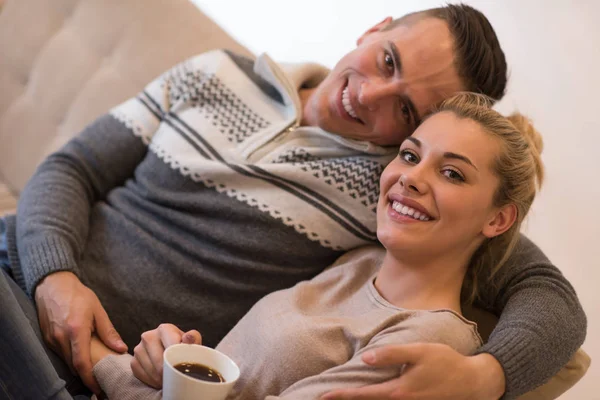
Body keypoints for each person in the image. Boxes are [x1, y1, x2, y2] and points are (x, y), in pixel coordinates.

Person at [0, 4, 585, 400]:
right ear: (374, 29)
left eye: (406, 110)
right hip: (23, 272)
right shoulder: (217, 73)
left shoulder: (394, 189)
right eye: (388, 61)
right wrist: (57, 277)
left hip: (97, 363)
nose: (369, 94)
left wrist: (487, 375)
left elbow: (553, 302)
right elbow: (71, 168)